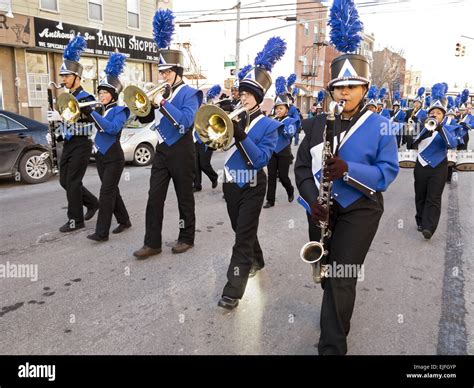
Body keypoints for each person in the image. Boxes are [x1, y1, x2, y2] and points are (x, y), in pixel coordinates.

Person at [295, 0, 399, 355]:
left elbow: (388, 172)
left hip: (361, 208)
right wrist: (312, 200)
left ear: (365, 88)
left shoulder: (382, 124)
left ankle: (332, 346)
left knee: (341, 275)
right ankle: (335, 320)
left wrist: (348, 170)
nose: (344, 93)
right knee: (327, 273)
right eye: (338, 87)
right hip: (322, 208)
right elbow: (299, 170)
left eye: (352, 87)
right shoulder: (316, 123)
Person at [217, 37, 286, 310]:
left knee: (241, 238)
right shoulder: (233, 115)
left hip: (254, 184)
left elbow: (259, 160)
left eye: (247, 94)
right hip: (231, 183)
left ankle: (232, 291)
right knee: (241, 229)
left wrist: (242, 134)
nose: (241, 97)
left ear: (258, 97)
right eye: (240, 93)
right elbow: (211, 141)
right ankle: (257, 260)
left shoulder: (270, 125)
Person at [133, 9, 203, 259]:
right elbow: (148, 118)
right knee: (154, 198)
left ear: (177, 72)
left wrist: (162, 102)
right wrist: (144, 107)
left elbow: (184, 121)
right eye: (160, 72)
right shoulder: (163, 93)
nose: (162, 76)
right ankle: (152, 242)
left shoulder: (191, 94)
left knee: (184, 198)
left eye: (166, 72)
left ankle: (186, 237)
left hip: (182, 149)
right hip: (162, 150)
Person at [47, 34, 99, 233]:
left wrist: (62, 118)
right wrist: (56, 132)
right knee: (64, 181)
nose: (63, 80)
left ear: (77, 78)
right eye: (62, 77)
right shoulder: (66, 97)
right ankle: (93, 202)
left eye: (66, 76)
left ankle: (75, 220)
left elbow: (86, 121)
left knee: (73, 181)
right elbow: (67, 125)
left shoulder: (87, 97)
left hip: (82, 143)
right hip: (69, 143)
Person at [82, 52, 132, 242]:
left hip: (114, 157)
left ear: (114, 94)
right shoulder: (100, 110)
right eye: (100, 92)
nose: (101, 95)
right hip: (101, 157)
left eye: (105, 93)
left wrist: (92, 115)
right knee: (112, 190)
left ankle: (101, 233)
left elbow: (111, 129)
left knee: (106, 193)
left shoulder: (120, 110)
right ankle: (125, 220)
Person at [412, 83, 461, 239]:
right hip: (421, 165)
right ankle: (420, 220)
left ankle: (429, 227)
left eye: (438, 113)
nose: (434, 114)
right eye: (432, 112)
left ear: (443, 116)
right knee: (420, 195)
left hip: (439, 166)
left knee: (433, 197)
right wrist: (425, 131)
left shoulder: (448, 129)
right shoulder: (421, 127)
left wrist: (439, 129)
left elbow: (452, 144)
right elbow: (412, 142)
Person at [263, 76, 297, 209]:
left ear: (286, 110)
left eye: (281, 108)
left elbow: (290, 133)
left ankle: (290, 190)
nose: (278, 111)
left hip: (284, 153)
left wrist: (279, 125)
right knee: (271, 177)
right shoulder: (272, 119)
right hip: (272, 152)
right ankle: (270, 200)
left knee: (283, 177)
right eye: (277, 108)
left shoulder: (290, 121)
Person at [193, 85, 219, 192]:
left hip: (206, 141)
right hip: (195, 141)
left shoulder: (209, 114)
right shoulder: (193, 112)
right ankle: (197, 185)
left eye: (202, 105)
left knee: (204, 164)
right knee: (195, 164)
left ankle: (214, 177)